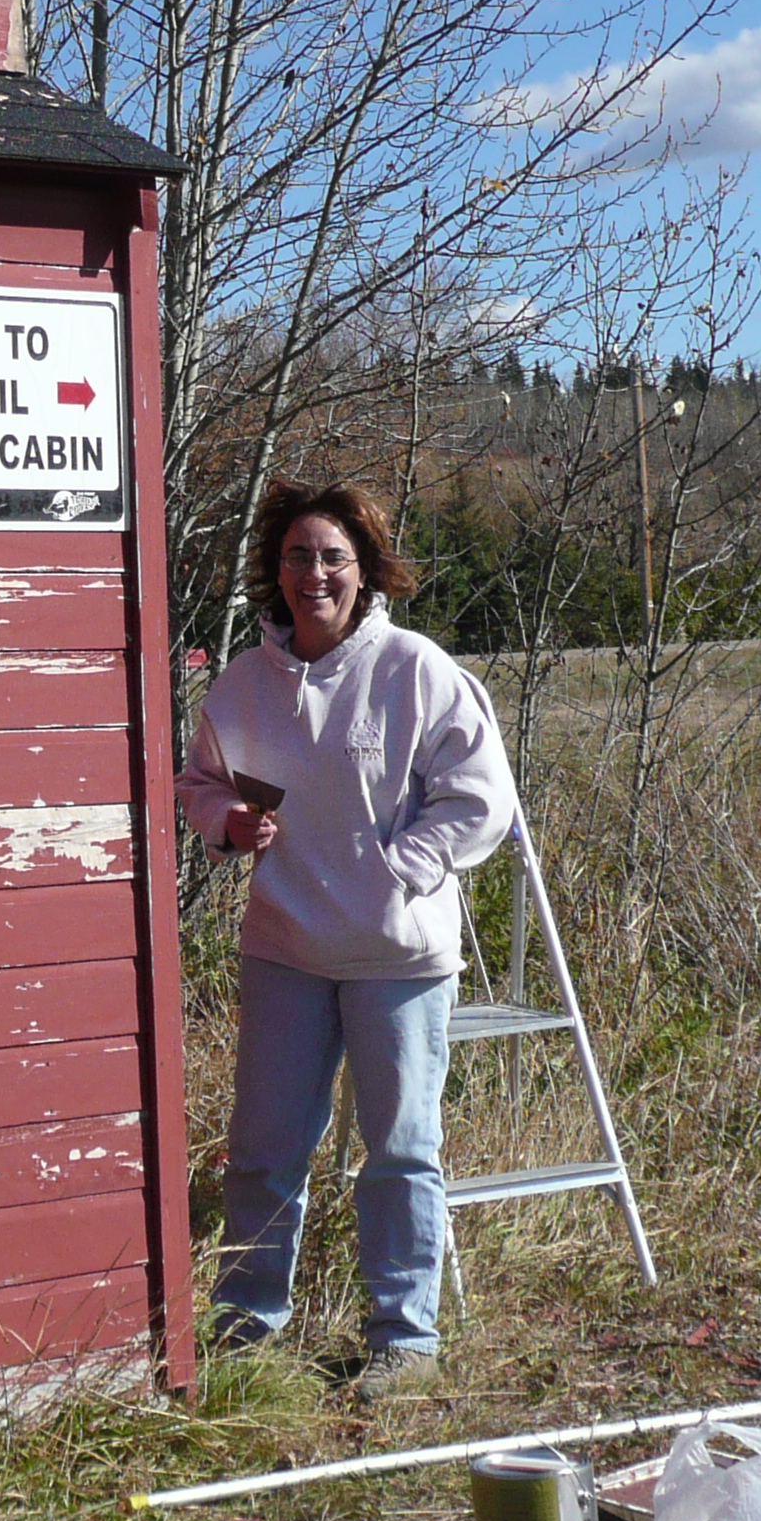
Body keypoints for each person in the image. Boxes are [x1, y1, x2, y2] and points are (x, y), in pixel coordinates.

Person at [175, 477, 519, 1399]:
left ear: (365, 571)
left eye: (334, 557)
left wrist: (401, 869)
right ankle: (247, 1330)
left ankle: (404, 1341)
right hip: (285, 945)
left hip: (396, 958)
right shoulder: (245, 684)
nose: (314, 574)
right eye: (298, 556)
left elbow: (481, 798)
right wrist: (228, 826)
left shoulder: (415, 668)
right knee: (263, 1148)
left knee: (401, 1148)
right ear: (274, 571)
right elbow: (200, 783)